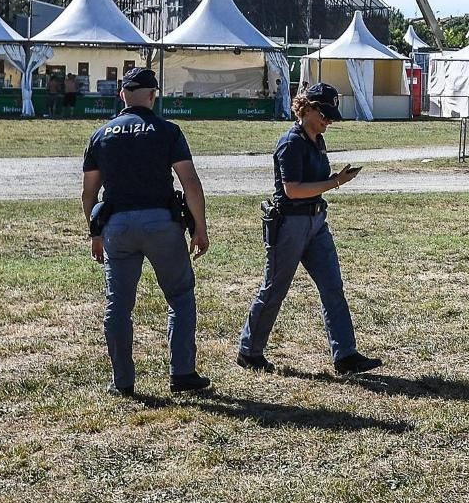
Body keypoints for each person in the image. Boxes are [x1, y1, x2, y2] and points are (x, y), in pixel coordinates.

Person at [80, 65, 211, 396]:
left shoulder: (101, 135)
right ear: (153, 95)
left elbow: (88, 193)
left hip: (117, 225)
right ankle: (182, 373)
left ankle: (122, 382)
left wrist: (95, 232)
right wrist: (200, 227)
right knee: (180, 296)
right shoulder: (168, 131)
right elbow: (190, 183)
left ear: (122, 95)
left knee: (118, 305)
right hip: (161, 223)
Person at [237, 82, 384, 377]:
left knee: (333, 286)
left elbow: (314, 183)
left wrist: (334, 180)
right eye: (325, 115)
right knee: (274, 289)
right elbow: (292, 190)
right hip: (290, 224)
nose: (329, 121)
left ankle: (345, 355)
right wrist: (336, 182)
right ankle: (249, 351)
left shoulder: (317, 140)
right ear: (308, 109)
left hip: (316, 222)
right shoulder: (290, 143)